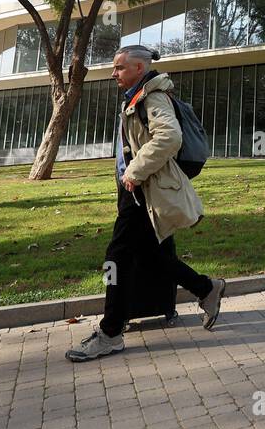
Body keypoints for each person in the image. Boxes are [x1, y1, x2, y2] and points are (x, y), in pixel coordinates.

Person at [67, 45, 226, 362]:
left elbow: (169, 137)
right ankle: (206, 288)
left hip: (142, 191)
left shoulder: (152, 97)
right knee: (150, 256)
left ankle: (110, 333)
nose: (114, 73)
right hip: (135, 189)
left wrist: (135, 173)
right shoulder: (137, 97)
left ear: (140, 68)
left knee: (116, 257)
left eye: (120, 67)